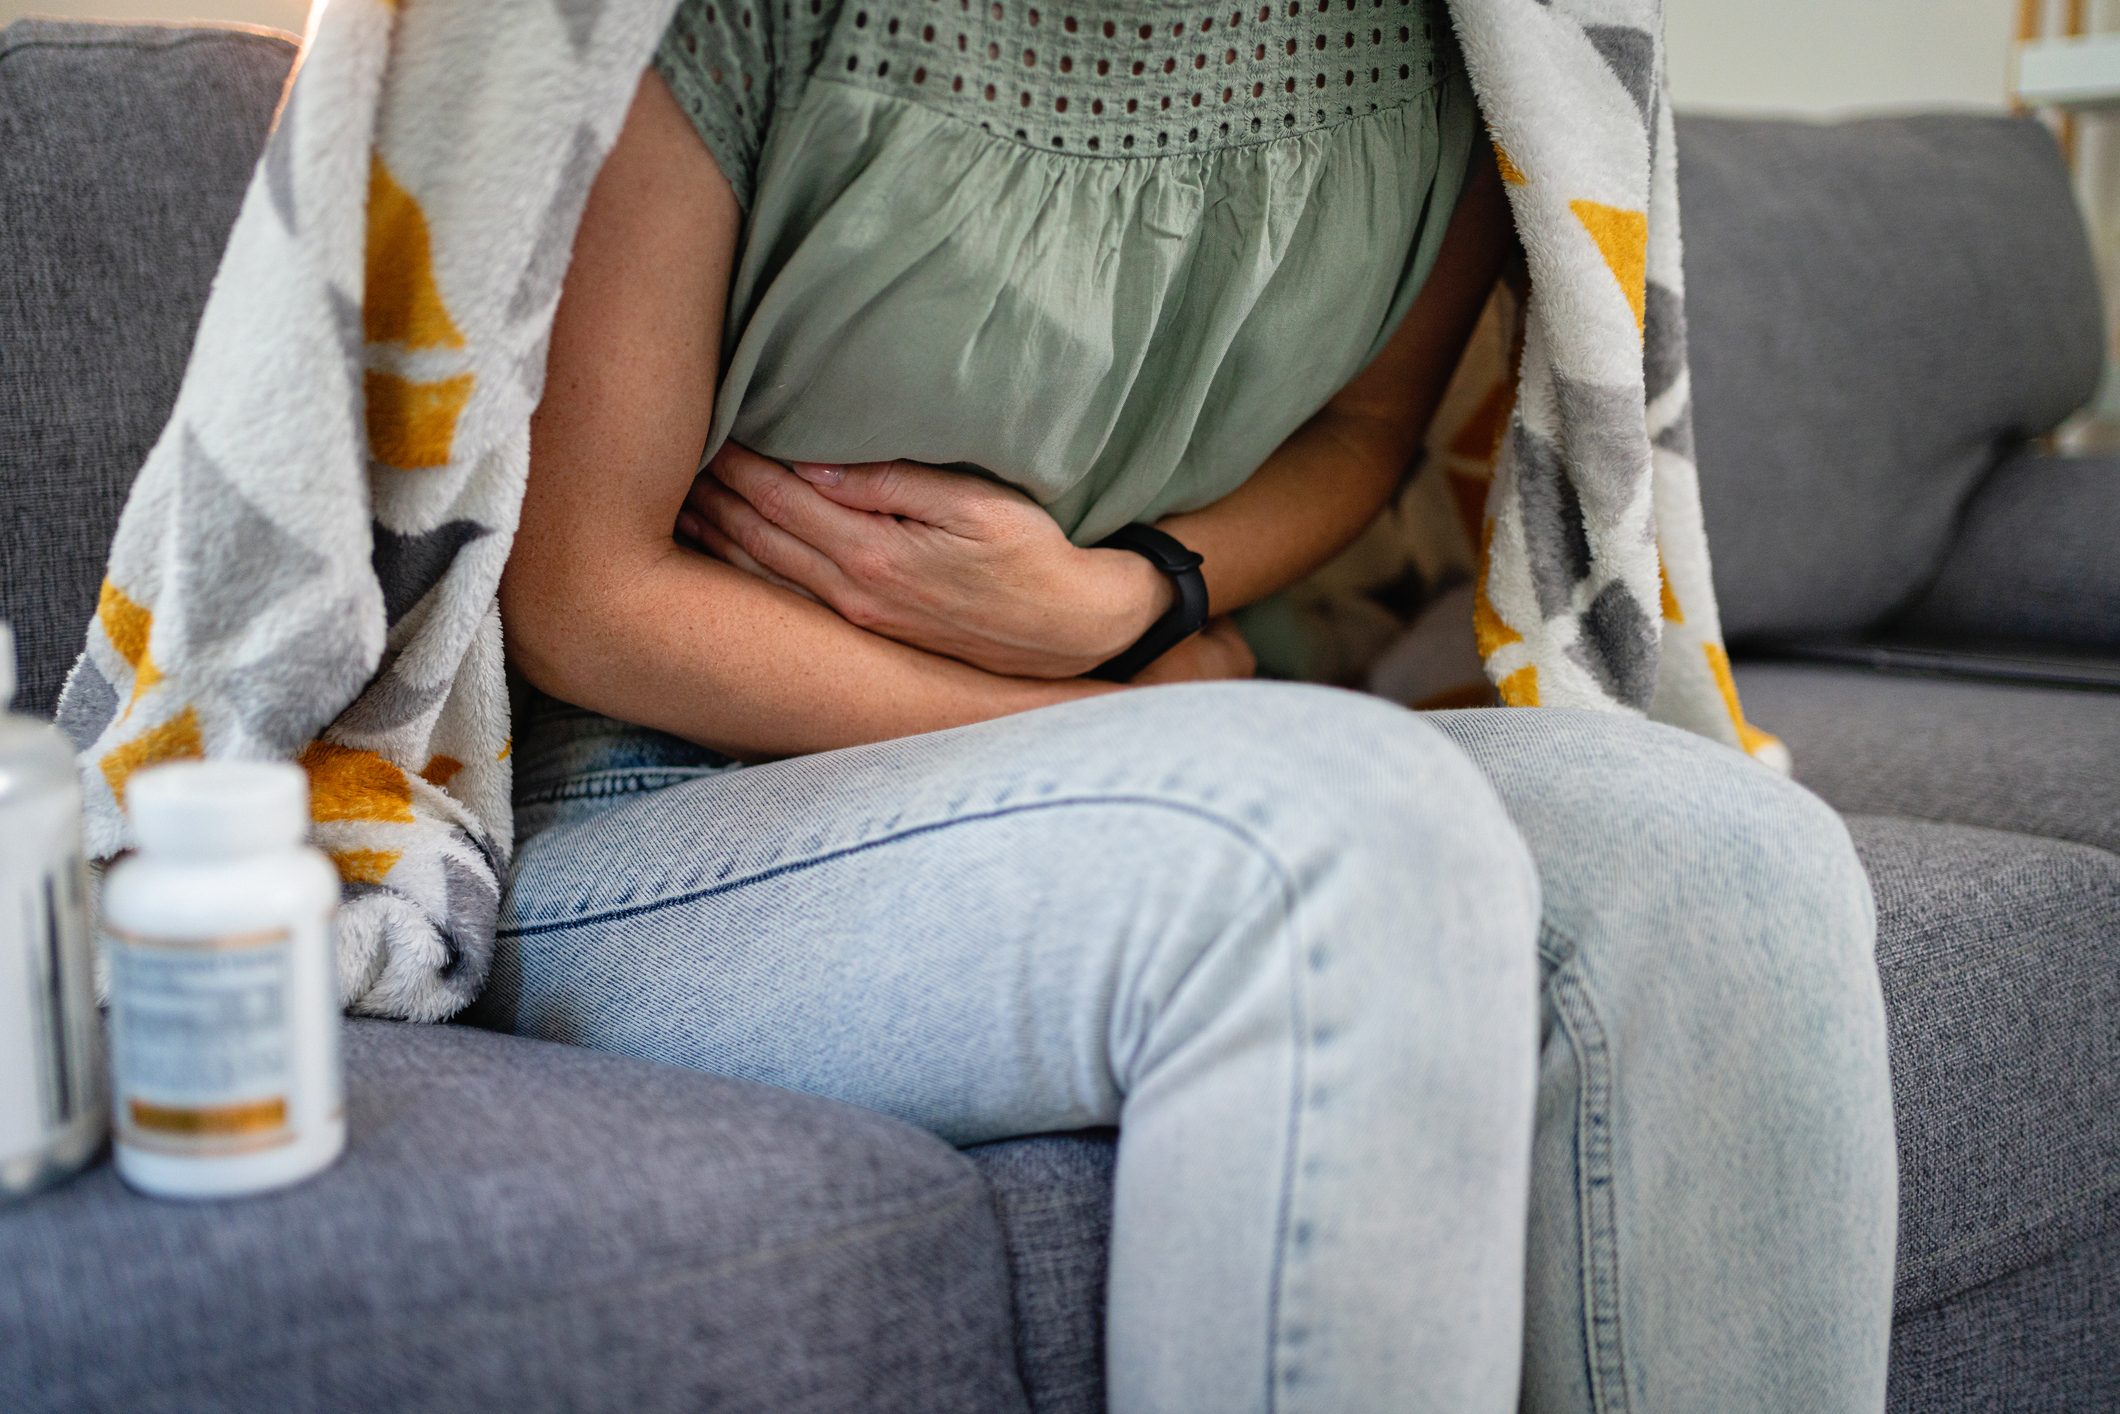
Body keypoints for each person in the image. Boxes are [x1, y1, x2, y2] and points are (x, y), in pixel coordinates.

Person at [490, 2, 1898, 1408]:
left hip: (1139, 713)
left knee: (1734, 863)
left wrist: (1138, 599)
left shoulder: (1500, 33)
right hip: (668, 811)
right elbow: (580, 598)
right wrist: (1093, 709)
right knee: (1347, 849)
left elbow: (1363, 434)